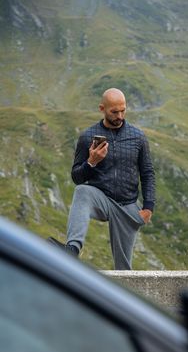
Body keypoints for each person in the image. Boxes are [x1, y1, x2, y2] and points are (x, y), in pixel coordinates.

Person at [48, 88, 155, 270]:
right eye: (114, 112)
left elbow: (147, 172)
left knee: (124, 269)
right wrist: (91, 162)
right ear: (102, 108)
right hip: (101, 199)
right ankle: (72, 250)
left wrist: (148, 208)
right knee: (82, 191)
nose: (120, 116)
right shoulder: (87, 137)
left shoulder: (138, 137)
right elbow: (77, 177)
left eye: (123, 110)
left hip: (128, 205)